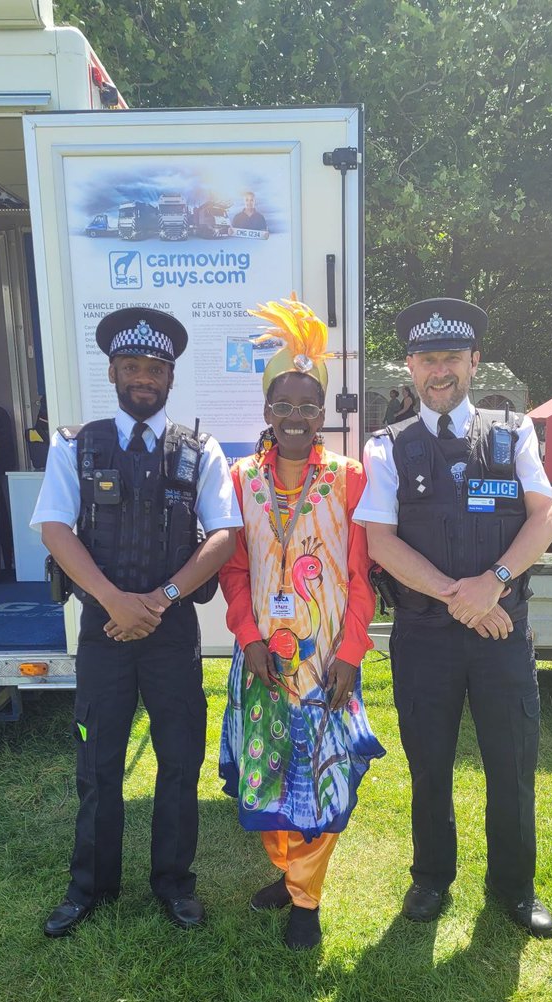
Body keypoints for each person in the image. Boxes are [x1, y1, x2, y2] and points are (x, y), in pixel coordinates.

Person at [33, 307, 241, 938]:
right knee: (98, 765)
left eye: (155, 369)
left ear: (170, 377)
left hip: (171, 629)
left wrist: (159, 599)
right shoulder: (77, 444)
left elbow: (226, 535)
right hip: (103, 630)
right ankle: (89, 885)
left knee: (179, 761)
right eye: (132, 367)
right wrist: (111, 601)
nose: (143, 378)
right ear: (114, 372)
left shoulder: (199, 450)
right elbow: (55, 528)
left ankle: (174, 883)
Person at [356, 298, 552, 937]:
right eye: (426, 359)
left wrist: (493, 585)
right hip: (425, 636)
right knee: (429, 764)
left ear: (474, 361)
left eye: (451, 357)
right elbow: (380, 541)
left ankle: (514, 887)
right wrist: (460, 596)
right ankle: (431, 878)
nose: (438, 371)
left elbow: (545, 517)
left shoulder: (513, 432)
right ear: (410, 367)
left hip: (501, 632)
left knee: (511, 762)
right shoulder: (387, 446)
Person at [219, 297, 384, 949]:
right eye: (283, 404)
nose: (295, 416)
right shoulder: (241, 480)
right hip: (260, 662)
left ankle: (307, 900)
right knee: (264, 773)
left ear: (324, 413)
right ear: (267, 411)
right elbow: (234, 572)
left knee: (320, 780)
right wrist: (250, 638)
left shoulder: (348, 480)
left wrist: (351, 653)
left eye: (307, 405)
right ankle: (288, 873)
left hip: (326, 665)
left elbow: (364, 577)